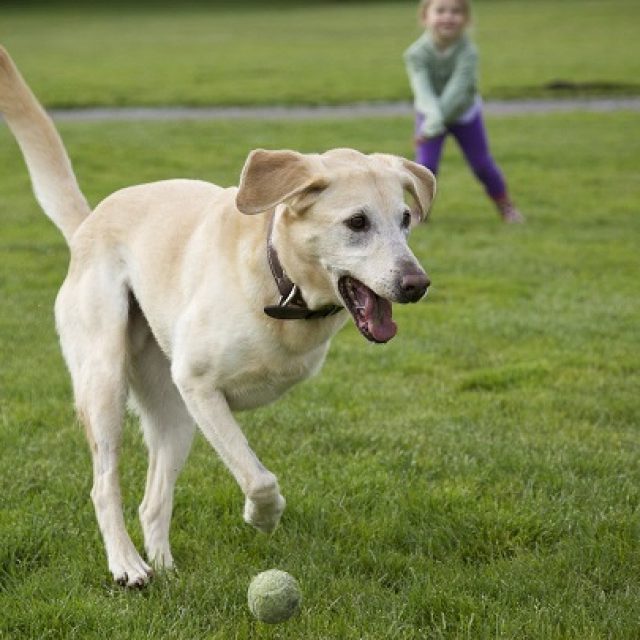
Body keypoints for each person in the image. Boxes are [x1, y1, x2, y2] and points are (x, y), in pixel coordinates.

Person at [404, 0, 524, 223]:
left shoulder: (468, 52)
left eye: (456, 11)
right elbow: (423, 90)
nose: (448, 16)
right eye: (440, 11)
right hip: (429, 113)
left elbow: (456, 91)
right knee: (425, 167)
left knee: (481, 165)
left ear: (466, 19)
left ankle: (505, 205)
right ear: (425, 17)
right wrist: (431, 122)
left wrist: (430, 126)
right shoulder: (415, 54)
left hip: (464, 115)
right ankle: (419, 212)